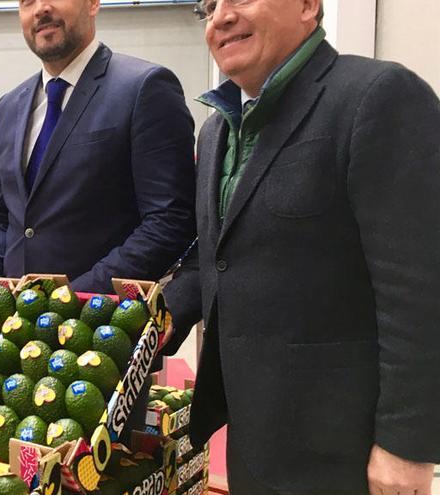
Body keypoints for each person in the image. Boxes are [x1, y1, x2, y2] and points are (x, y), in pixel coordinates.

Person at [164, 0, 440, 492]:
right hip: (253, 438)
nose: (221, 17)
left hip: (343, 452)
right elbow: (218, 259)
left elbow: (420, 290)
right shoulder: (216, 131)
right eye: (209, 6)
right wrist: (133, 331)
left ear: (309, 5)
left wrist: (406, 445)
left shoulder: (377, 97)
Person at [0, 0, 196, 293]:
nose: (40, 9)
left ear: (93, 3)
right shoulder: (9, 106)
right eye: (27, 2)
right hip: (14, 325)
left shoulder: (144, 88)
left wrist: (73, 299)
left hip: (100, 324)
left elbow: (169, 221)